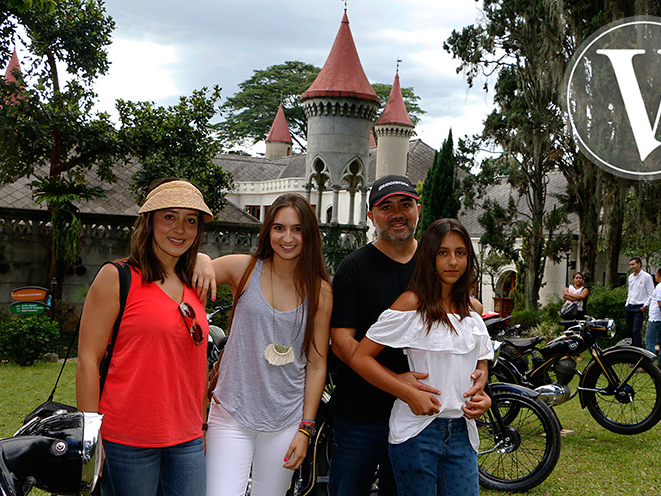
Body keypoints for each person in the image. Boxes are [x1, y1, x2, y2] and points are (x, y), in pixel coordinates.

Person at [328, 175, 490, 496]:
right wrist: (400, 383)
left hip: (426, 419)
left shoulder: (441, 260)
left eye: (405, 204)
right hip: (363, 413)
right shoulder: (355, 267)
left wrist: (478, 383)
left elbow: (468, 328)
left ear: (419, 208)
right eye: (386, 207)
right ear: (371, 216)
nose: (397, 213)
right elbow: (344, 344)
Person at [76, 178, 213, 496]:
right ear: (149, 222)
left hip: (187, 439)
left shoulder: (196, 283)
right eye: (169, 216)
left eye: (190, 220)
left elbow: (196, 364)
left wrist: (201, 425)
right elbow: (87, 361)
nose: (180, 228)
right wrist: (91, 438)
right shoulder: (117, 276)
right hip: (126, 439)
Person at [201, 193, 332, 496]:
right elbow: (194, 272)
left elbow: (316, 364)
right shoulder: (243, 268)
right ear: (268, 231)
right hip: (231, 412)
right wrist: (202, 258)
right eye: (279, 228)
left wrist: (305, 429)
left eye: (297, 229)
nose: (287, 237)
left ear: (309, 234)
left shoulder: (320, 291)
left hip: (286, 419)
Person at [625, 257, 654, 347]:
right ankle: (632, 349)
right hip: (630, 306)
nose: (631, 267)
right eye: (630, 265)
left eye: (633, 264)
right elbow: (630, 292)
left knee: (636, 330)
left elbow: (651, 293)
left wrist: (645, 306)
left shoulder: (646, 277)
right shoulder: (630, 277)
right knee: (630, 330)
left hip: (640, 307)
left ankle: (638, 350)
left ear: (639, 264)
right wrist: (627, 304)